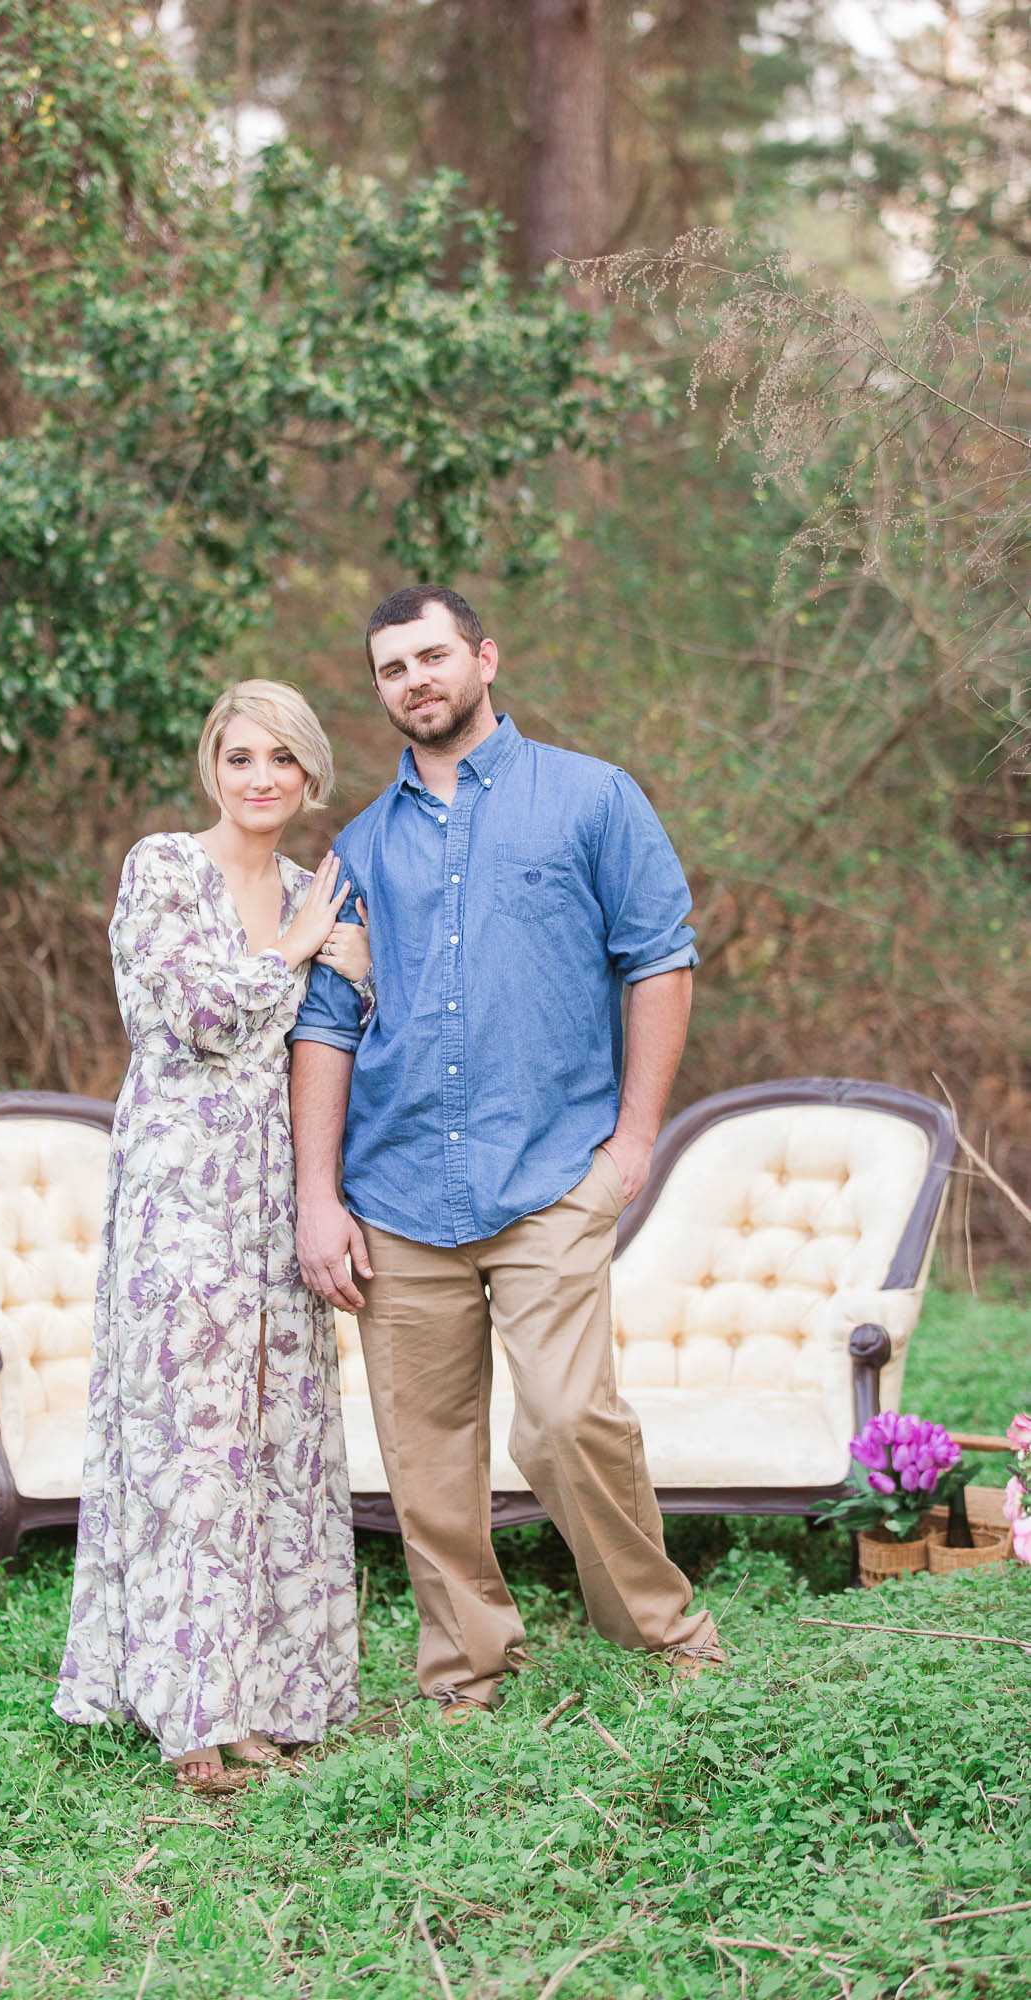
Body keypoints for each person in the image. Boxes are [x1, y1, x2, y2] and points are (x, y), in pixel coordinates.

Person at [289, 587, 722, 1723]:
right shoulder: (358, 846)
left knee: (569, 1416)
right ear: (379, 690)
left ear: (483, 657)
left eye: (431, 655)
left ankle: (663, 1634)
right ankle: (466, 1675)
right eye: (390, 668)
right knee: (426, 1458)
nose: (414, 679)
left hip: (547, 1176)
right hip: (396, 1189)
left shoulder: (589, 797)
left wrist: (630, 1144)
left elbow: (659, 960)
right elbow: (328, 1024)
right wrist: (317, 1196)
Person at [55, 680, 368, 1787]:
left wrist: (346, 970)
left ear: (311, 772)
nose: (260, 777)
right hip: (179, 1204)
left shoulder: (308, 886)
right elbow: (186, 1019)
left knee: (274, 1448)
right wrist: (292, 952)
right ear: (211, 767)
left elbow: (345, 1028)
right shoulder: (164, 867)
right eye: (240, 755)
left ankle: (259, 1704)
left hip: (278, 1198)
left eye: (282, 757)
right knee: (191, 1449)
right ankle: (189, 1714)